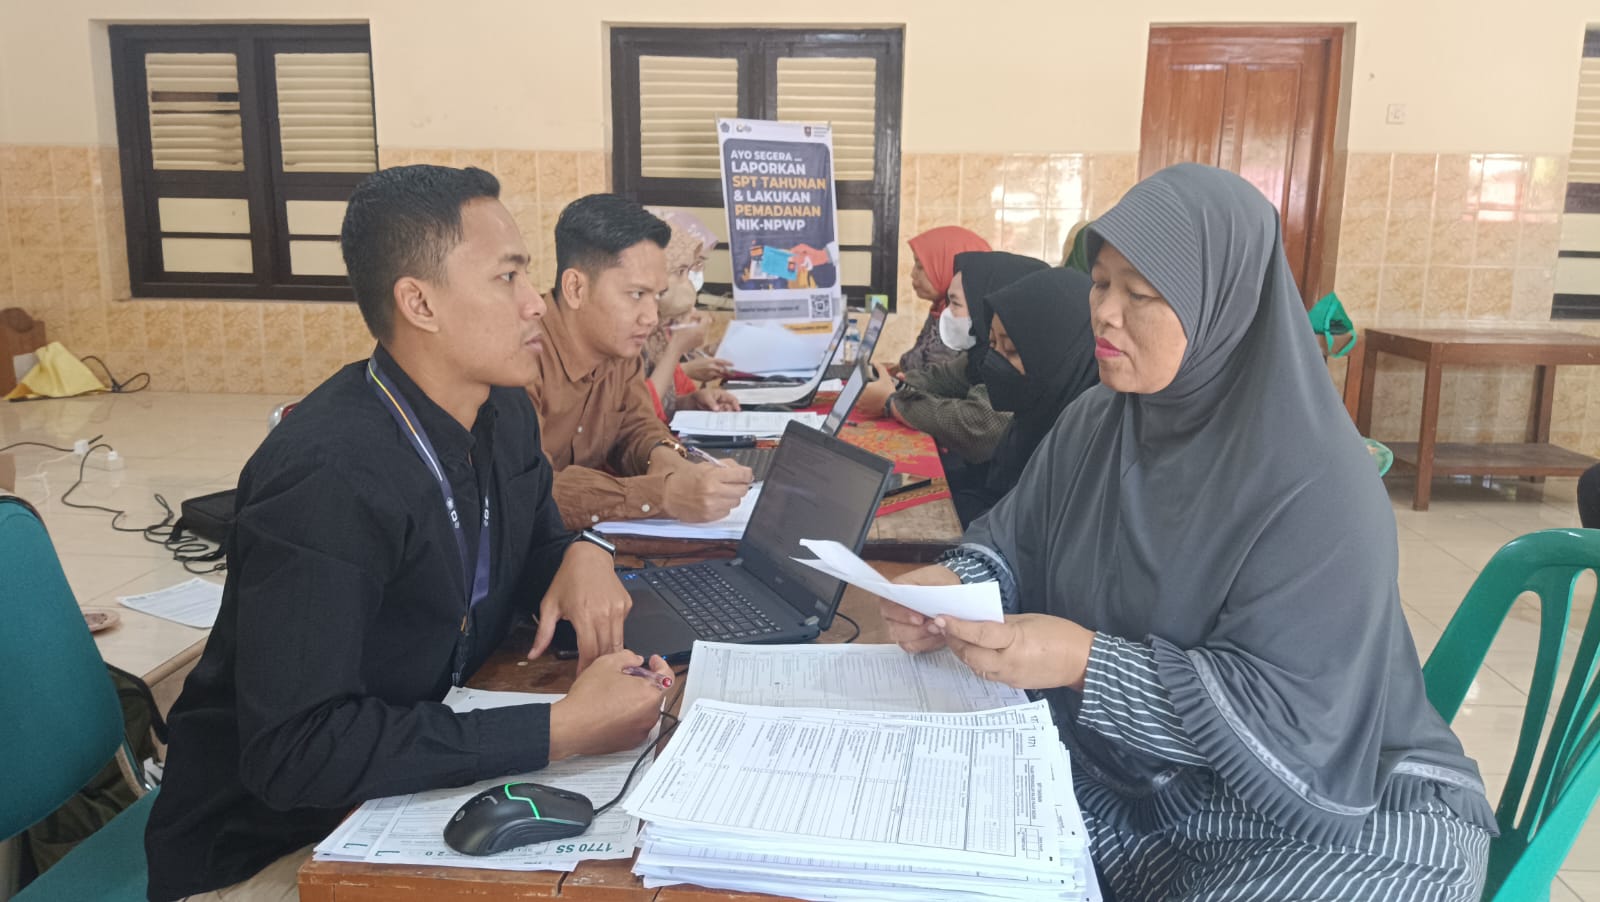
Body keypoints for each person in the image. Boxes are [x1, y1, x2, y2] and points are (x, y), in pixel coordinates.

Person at [881, 164, 1495, 900]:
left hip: (1333, 802)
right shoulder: (1095, 423)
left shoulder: (1317, 483)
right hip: (1132, 778)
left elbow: (1293, 721)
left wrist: (1085, 662)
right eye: (1099, 283)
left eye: (1140, 293)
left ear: (1223, 306)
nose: (1105, 313)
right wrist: (954, 585)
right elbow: (1014, 545)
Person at [143, 165, 673, 902]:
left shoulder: (499, 411)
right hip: (275, 841)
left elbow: (529, 547)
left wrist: (581, 552)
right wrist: (562, 730)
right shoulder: (328, 477)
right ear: (419, 303)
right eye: (508, 278)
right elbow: (295, 752)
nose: (535, 303)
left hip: (407, 779)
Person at [528, 194, 753, 530]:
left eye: (656, 296)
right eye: (636, 295)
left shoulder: (619, 350)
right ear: (576, 288)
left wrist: (673, 465)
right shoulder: (520, 355)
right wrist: (665, 495)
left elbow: (636, 427)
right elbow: (532, 491)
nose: (651, 317)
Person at [860, 250, 1047, 471]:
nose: (947, 313)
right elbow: (941, 378)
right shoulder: (981, 354)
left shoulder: (1019, 361)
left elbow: (976, 425)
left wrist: (892, 403)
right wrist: (896, 384)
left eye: (955, 304)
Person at [950, 266, 1098, 527]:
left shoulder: (1084, 449)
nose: (994, 362)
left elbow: (1022, 531)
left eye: (1012, 350)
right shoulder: (1029, 420)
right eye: (993, 344)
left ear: (1056, 355)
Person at [640, 209, 736, 420]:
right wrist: (677, 348)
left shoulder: (658, 328)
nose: (690, 279)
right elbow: (639, 415)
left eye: (696, 266)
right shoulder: (632, 330)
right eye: (680, 271)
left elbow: (666, 401)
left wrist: (692, 401)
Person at [896, 226, 992, 374]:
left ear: (949, 266)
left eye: (920, 266)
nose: (912, 274)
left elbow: (935, 378)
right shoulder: (940, 311)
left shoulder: (964, 322)